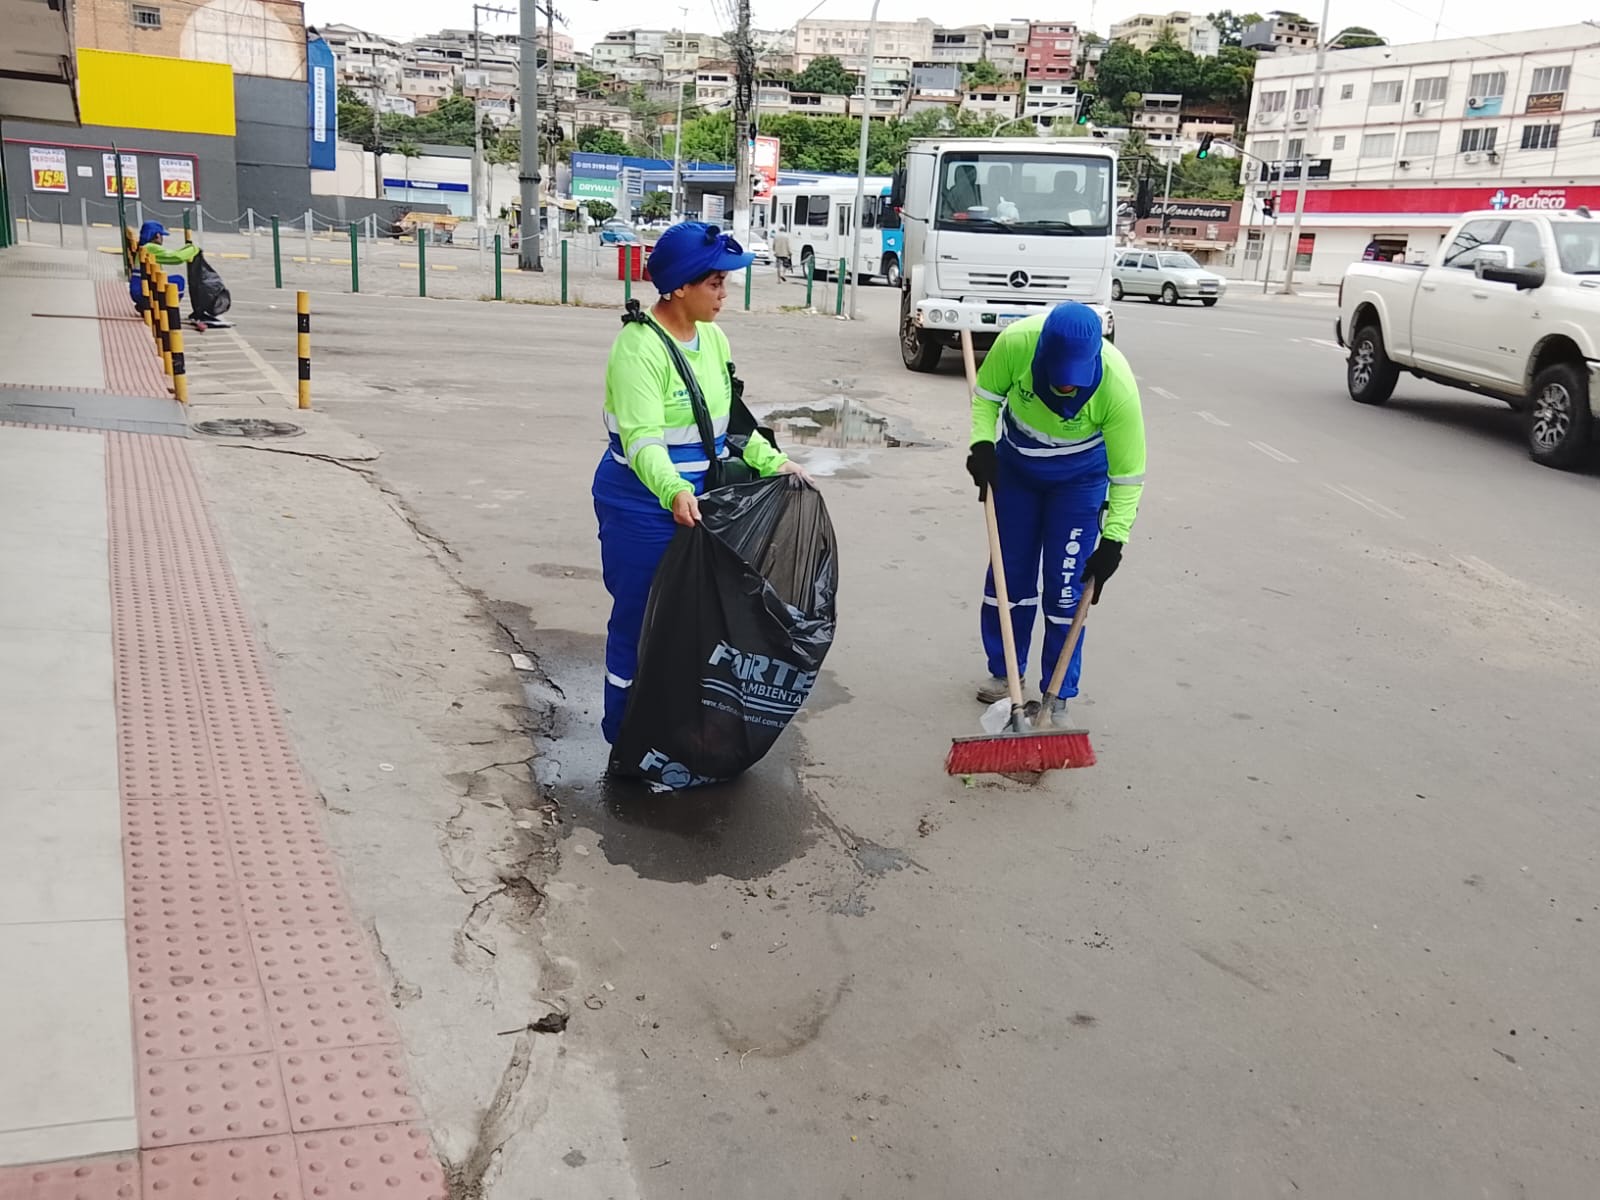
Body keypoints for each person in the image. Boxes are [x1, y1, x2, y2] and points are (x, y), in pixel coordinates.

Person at [593, 221, 813, 745]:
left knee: (696, 624)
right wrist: (672, 490)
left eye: (724, 281)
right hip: (641, 507)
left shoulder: (713, 339)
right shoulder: (638, 349)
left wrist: (773, 462)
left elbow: (732, 422)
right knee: (640, 619)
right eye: (714, 282)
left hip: (702, 504)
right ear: (679, 287)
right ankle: (624, 735)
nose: (724, 292)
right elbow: (644, 440)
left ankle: (677, 731)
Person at [965, 301, 1146, 726]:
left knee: (1068, 588)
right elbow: (986, 399)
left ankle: (1057, 692)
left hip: (1079, 483)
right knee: (1010, 577)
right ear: (1042, 355)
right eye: (1059, 380)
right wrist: (981, 446)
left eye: (1075, 382)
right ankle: (1005, 672)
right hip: (1016, 469)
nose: (1067, 390)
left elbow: (1128, 478)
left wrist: (1114, 541)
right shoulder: (1016, 344)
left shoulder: (1117, 386)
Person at [129, 221, 198, 313]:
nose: (162, 238)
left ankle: (148, 307)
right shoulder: (151, 248)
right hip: (143, 290)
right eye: (162, 235)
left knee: (168, 280)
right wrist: (194, 249)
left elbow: (174, 253)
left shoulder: (143, 247)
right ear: (157, 235)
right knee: (178, 281)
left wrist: (186, 248)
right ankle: (169, 311)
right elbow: (177, 257)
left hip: (139, 287)